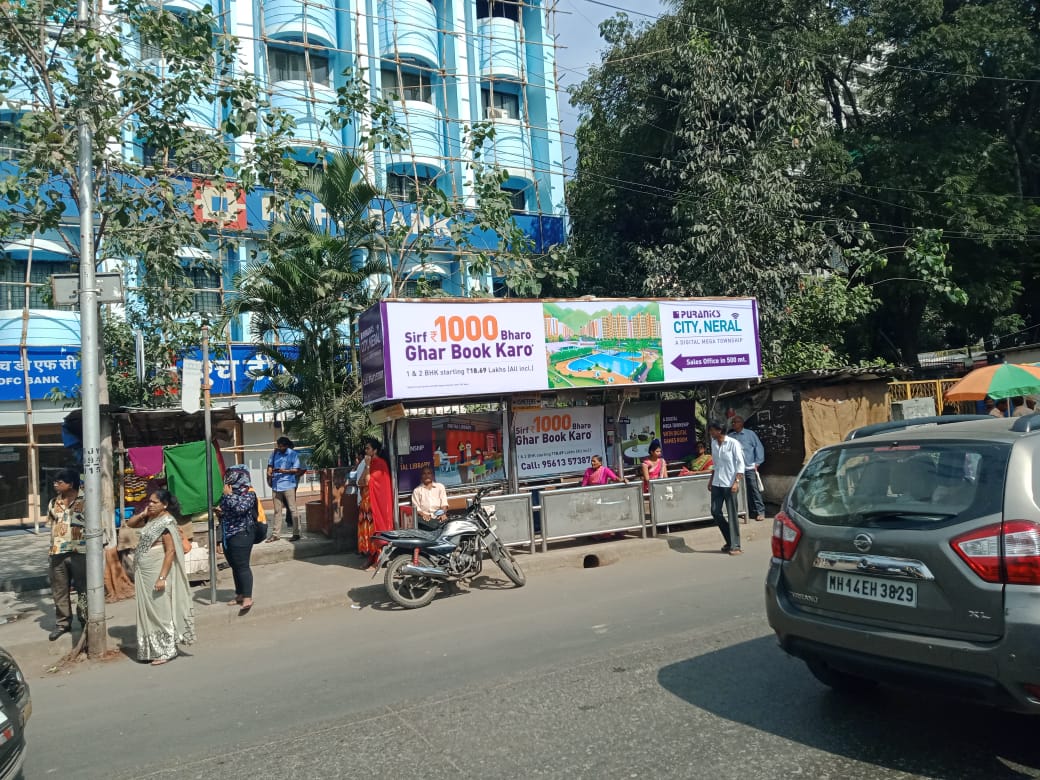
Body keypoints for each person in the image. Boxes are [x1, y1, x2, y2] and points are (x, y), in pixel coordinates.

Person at [125, 490, 196, 665]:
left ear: (164, 505)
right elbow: (130, 523)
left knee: (160, 609)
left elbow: (170, 551)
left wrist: (162, 577)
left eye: (154, 502)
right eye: (149, 501)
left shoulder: (167, 522)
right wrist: (143, 513)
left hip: (157, 570)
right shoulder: (151, 518)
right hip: (144, 572)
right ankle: (152, 648)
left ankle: (167, 650)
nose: (150, 504)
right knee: (149, 610)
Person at [46, 468, 87, 641]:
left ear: (70, 484)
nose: (55, 484)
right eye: (55, 482)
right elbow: (51, 525)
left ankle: (85, 620)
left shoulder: (86, 500)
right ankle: (63, 623)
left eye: (59, 482)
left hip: (81, 551)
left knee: (83, 588)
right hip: (58, 552)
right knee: (59, 589)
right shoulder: (53, 502)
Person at [216, 466, 257, 612]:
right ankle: (239, 594)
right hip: (228, 534)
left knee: (242, 565)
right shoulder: (228, 492)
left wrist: (228, 496)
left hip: (242, 534)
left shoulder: (249, 493)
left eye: (231, 476)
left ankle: (248, 597)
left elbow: (240, 509)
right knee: (234, 566)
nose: (228, 479)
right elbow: (223, 513)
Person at [708, 421, 745, 556]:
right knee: (715, 511)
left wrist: (736, 481)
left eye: (712, 430)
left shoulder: (733, 443)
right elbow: (715, 463)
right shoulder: (713, 444)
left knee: (732, 514)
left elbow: (740, 464)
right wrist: (711, 479)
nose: (710, 433)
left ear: (719, 430)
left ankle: (736, 545)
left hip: (730, 483)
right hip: (717, 482)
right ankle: (730, 540)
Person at [358, 437, 393, 570]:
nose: (365, 450)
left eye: (368, 448)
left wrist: (367, 466)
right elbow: (360, 482)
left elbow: (367, 481)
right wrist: (367, 466)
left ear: (375, 450)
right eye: (365, 448)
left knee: (375, 531)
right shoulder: (370, 463)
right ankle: (370, 556)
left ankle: (377, 558)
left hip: (375, 505)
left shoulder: (380, 464)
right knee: (367, 532)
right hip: (366, 503)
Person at [267, 436, 305, 542]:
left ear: (286, 445)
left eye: (282, 446)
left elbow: (296, 470)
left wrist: (284, 471)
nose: (280, 448)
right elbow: (270, 465)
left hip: (288, 484)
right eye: (279, 446)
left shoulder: (293, 454)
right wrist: (269, 473)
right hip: (276, 485)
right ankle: (275, 534)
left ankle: (296, 533)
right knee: (277, 511)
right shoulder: (275, 453)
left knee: (293, 509)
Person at [729, 415, 766, 522]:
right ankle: (746, 511)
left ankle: (760, 511)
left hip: (749, 467)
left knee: (754, 489)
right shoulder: (730, 436)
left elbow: (759, 447)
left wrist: (757, 462)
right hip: (736, 469)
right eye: (732, 422)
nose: (733, 424)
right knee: (739, 491)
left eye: (735, 422)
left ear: (741, 423)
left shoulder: (750, 434)